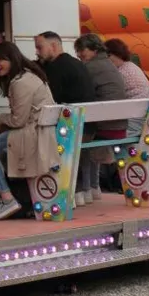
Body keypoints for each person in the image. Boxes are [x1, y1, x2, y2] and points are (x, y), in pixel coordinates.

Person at [0, 41, 54, 221]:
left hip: (30, 133)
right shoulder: (31, 75)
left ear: (12, 59)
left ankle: (7, 198)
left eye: (0, 60)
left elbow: (18, 120)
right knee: (4, 151)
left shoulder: (20, 82)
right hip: (41, 132)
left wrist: (1, 118)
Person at [33, 31, 97, 204]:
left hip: (72, 128)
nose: (37, 52)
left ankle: (65, 193)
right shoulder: (76, 64)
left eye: (40, 48)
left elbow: (51, 100)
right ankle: (84, 191)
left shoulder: (56, 69)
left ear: (53, 46)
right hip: (88, 127)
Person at [76, 33, 128, 203]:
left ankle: (85, 190)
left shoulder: (90, 67)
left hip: (106, 126)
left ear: (93, 49)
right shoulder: (108, 63)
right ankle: (94, 187)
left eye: (81, 50)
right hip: (119, 125)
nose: (79, 54)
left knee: (81, 141)